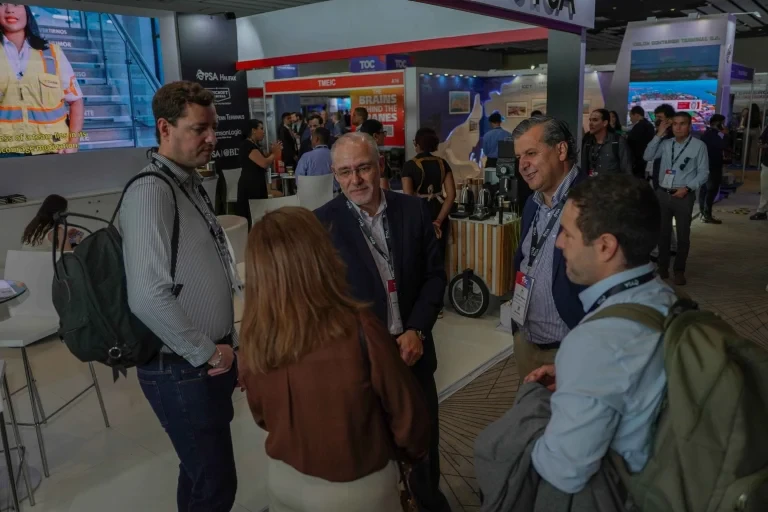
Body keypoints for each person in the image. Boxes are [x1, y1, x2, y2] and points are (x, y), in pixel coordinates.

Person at [240, 207, 429, 511]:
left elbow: (261, 415)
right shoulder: (359, 329)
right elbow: (407, 417)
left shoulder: (255, 337)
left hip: (283, 480)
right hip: (356, 490)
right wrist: (409, 459)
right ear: (320, 256)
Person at [120, 81, 241, 512]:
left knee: (198, 475)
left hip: (200, 364)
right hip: (180, 367)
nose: (211, 138)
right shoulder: (151, 191)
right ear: (164, 128)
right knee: (215, 484)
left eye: (213, 128)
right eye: (198, 129)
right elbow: (147, 296)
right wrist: (207, 352)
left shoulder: (186, 181)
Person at [315, 132, 450, 512]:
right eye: (345, 172)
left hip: (413, 353)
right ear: (335, 174)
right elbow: (324, 301)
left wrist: (417, 329)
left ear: (379, 166)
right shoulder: (321, 224)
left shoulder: (414, 210)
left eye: (362, 168)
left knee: (423, 447)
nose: (355, 180)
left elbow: (434, 277)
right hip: (361, 363)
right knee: (373, 452)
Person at [525, 174, 675, 494]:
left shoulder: (595, 342)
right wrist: (579, 374)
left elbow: (564, 471)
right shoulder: (666, 297)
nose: (559, 243)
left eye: (568, 234)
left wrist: (527, 430)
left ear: (605, 246)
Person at [510, 116, 587, 383]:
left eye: (531, 153)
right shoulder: (531, 203)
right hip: (526, 340)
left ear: (561, 150)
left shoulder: (593, 200)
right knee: (531, 406)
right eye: (519, 157)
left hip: (571, 350)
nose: (523, 165)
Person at [0, 3, 84, 156]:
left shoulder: (52, 53)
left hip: (52, 150)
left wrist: (73, 143)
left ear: (27, 11)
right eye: (2, 4)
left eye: (17, 4)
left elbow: (75, 101)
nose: (10, 10)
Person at [643, 111, 709, 286]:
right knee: (662, 234)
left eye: (682, 124)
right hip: (663, 193)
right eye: (675, 124)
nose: (678, 127)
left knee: (683, 236)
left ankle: (679, 270)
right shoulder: (666, 144)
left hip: (684, 195)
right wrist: (659, 134)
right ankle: (662, 268)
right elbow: (647, 156)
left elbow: (704, 173)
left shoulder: (698, 146)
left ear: (690, 126)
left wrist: (687, 188)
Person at [402, 127, 457, 263]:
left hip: (418, 215)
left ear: (417, 144)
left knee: (419, 258)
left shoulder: (409, 166)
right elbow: (451, 195)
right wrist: (438, 221)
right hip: (440, 213)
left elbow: (408, 197)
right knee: (438, 257)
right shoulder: (443, 163)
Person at [236, 119, 281, 227]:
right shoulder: (247, 145)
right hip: (250, 186)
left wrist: (272, 152)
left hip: (256, 183)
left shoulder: (253, 145)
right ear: (253, 130)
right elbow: (264, 163)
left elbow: (262, 158)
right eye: (261, 128)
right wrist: (274, 154)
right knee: (252, 215)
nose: (264, 132)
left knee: (258, 214)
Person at [580, 109, 632, 176]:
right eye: (590, 120)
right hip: (592, 181)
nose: (591, 123)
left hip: (612, 182)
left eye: (595, 120)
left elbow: (627, 170)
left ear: (605, 123)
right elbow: (584, 170)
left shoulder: (617, 141)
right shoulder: (588, 143)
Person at [699, 114, 728, 224]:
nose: (724, 125)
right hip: (712, 166)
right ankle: (707, 214)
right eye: (723, 123)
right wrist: (725, 134)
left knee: (705, 190)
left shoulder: (708, 133)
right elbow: (724, 145)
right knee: (710, 190)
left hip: (707, 165)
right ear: (718, 123)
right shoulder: (712, 135)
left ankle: (704, 213)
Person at [295, 126, 336, 192]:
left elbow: (299, 180)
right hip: (332, 194)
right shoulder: (335, 156)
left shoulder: (306, 157)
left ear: (316, 139)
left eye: (312, 137)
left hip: (310, 195)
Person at [358, 118, 392, 190]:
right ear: (375, 136)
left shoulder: (355, 155)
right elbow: (384, 189)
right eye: (383, 133)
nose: (385, 136)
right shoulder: (378, 158)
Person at [650, 104, 676, 187]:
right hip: (655, 178)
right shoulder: (657, 135)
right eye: (656, 117)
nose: (656, 120)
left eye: (660, 117)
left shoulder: (674, 138)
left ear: (670, 120)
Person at [626, 106, 656, 179]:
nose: (630, 119)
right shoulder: (650, 125)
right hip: (646, 159)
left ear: (636, 115)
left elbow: (631, 142)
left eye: (631, 116)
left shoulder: (639, 127)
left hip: (638, 160)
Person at [751, 124, 768, 221]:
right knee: (764, 188)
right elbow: (761, 139)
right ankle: (762, 211)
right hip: (766, 162)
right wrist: (761, 143)